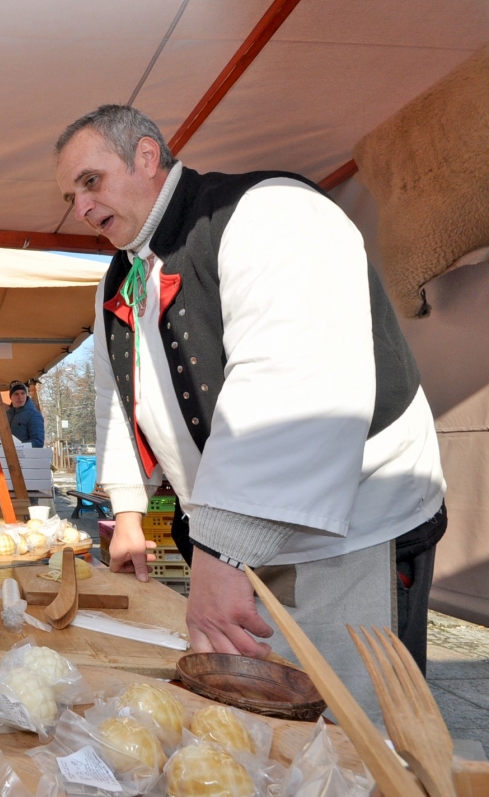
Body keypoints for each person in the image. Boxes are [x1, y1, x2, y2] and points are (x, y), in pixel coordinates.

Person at [54, 105, 445, 723]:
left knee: (354, 723)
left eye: (91, 181)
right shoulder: (120, 278)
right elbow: (117, 397)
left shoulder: (271, 211)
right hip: (240, 538)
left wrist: (219, 551)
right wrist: (129, 508)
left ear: (148, 157)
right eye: (72, 193)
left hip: (352, 530)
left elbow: (291, 381)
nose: (80, 206)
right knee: (267, 719)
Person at [5, 382, 45, 447]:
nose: (20, 397)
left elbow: (38, 441)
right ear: (11, 397)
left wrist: (18, 447)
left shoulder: (34, 415)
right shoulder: (6, 414)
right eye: (16, 394)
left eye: (23, 393)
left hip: (25, 455)